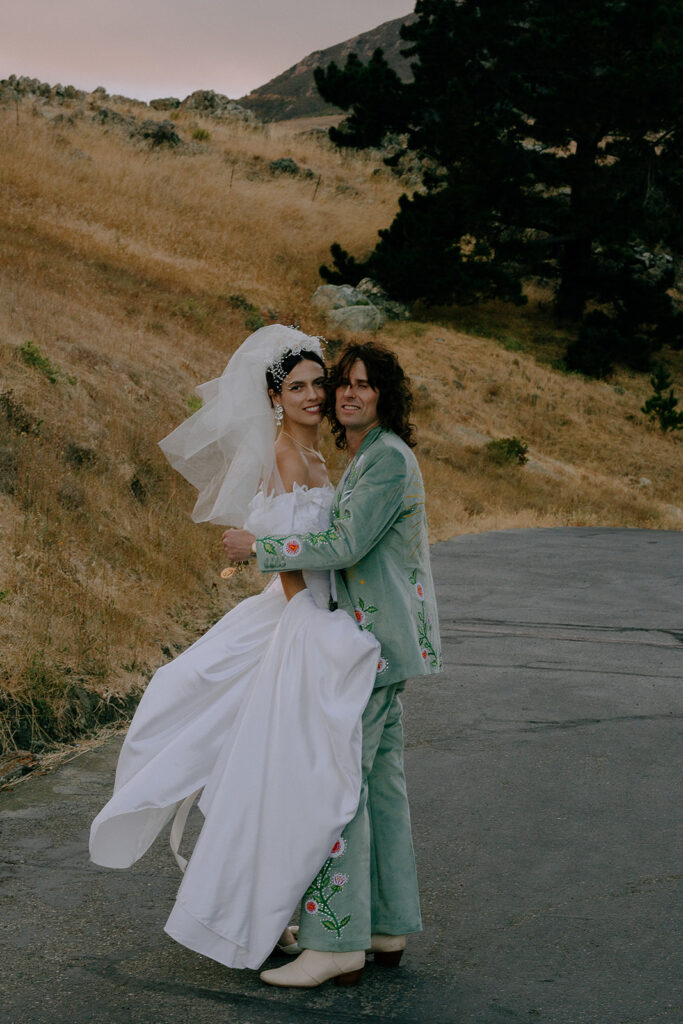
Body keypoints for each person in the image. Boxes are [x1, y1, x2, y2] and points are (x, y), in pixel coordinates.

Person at [89, 325, 381, 971]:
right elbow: (281, 562)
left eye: (317, 383)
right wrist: (316, 621)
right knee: (279, 771)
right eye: (297, 387)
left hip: (316, 611)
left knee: (273, 771)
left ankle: (284, 912)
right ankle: (268, 911)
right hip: (295, 619)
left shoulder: (316, 458)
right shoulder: (284, 455)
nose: (312, 395)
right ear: (275, 398)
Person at [222, 341, 443, 988]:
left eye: (362, 386)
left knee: (336, 790)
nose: (345, 394)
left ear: (385, 396)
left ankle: (336, 941)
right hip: (381, 644)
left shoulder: (384, 462)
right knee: (377, 789)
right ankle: (385, 925)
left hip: (367, 644)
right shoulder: (375, 457)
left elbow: (344, 543)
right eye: (340, 384)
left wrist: (259, 545)